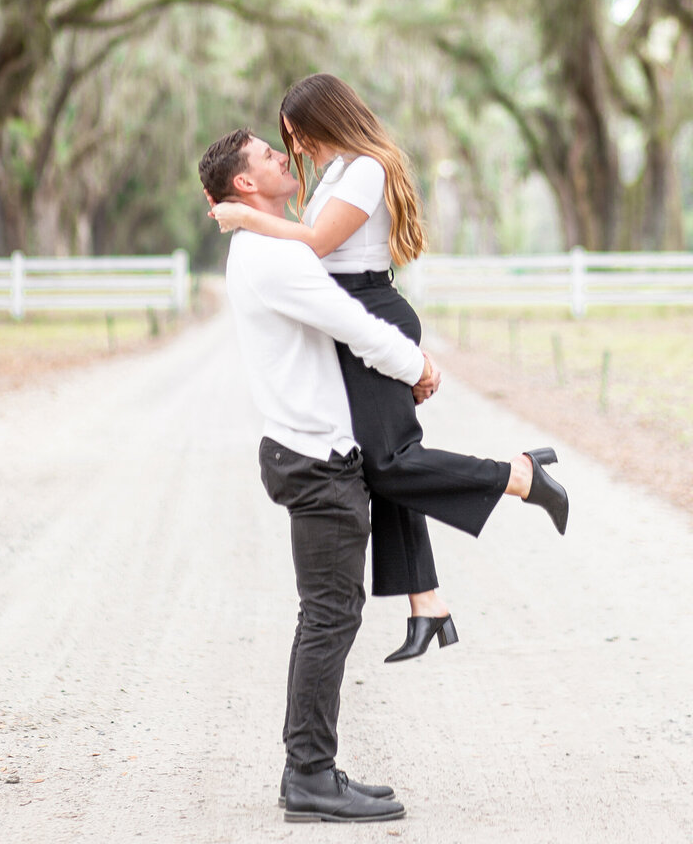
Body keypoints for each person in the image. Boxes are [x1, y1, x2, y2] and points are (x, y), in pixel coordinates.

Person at [199, 128, 568, 823]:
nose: (285, 159)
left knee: (328, 613)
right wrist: (419, 367)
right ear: (244, 184)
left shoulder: (261, 245)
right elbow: (352, 322)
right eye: (270, 156)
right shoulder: (272, 258)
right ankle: (308, 776)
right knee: (330, 616)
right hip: (315, 459)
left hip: (305, 451)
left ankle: (313, 766)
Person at [211, 75, 562, 663]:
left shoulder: (367, 167)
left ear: (324, 118)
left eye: (294, 134)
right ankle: (427, 604)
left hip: (373, 311)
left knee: (392, 462)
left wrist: (245, 218)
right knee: (382, 464)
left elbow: (315, 244)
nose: (293, 147)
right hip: (354, 312)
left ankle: (521, 476)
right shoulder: (337, 172)